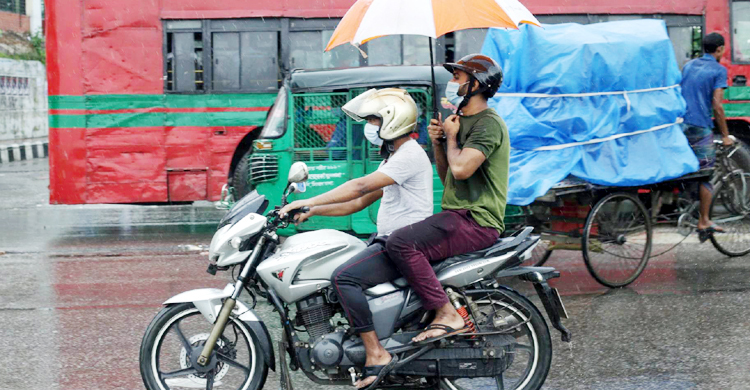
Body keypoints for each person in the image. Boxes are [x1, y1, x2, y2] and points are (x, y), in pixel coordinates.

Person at [279, 88, 433, 389]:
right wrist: (311, 209)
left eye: (375, 120)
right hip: (390, 240)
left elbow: (359, 187)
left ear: (392, 121)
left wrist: (302, 202)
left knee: (344, 278)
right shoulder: (394, 159)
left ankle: (376, 353)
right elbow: (357, 203)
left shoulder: (409, 155)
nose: (371, 127)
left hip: (402, 244)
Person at [385, 54, 510, 343]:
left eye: (457, 77)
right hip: (457, 216)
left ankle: (446, 314)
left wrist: (452, 138)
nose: (451, 83)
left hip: (477, 220)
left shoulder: (488, 123)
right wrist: (440, 143)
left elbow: (462, 169)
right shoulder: (459, 121)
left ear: (475, 84)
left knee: (401, 243)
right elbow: (448, 177)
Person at [680, 32, 734, 242]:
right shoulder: (719, 70)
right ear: (719, 49)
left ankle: (682, 207)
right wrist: (726, 135)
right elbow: (718, 106)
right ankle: (704, 220)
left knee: (686, 171)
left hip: (681, 125)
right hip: (700, 127)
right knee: (706, 174)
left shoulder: (689, 65)